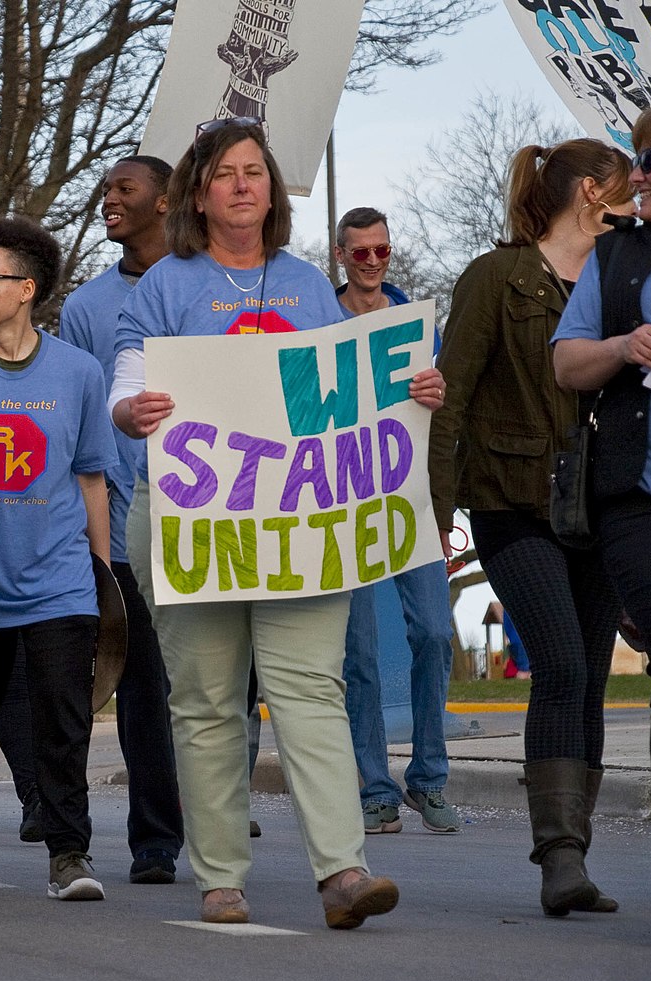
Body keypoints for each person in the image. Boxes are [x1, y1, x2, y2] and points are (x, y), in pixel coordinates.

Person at [110, 118, 442, 929]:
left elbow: (353, 398)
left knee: (308, 688)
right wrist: (130, 408)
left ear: (271, 188)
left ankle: (343, 871)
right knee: (206, 700)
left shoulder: (306, 289)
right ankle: (219, 875)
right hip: (195, 525)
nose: (241, 184)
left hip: (298, 523)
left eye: (254, 170)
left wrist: (412, 390)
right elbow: (124, 378)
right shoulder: (162, 287)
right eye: (223, 172)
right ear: (197, 192)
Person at [431, 137, 633, 917]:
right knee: (558, 664)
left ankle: (573, 852)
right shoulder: (496, 275)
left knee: (587, 671)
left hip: (604, 504)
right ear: (590, 192)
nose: (637, 205)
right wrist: (434, 510)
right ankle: (556, 856)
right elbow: (450, 393)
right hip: (511, 501)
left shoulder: (628, 278)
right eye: (625, 191)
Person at [0, 216, 117, 901]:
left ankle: (69, 855)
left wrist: (102, 582)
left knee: (63, 725)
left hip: (58, 582)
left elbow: (91, 476)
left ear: (26, 288)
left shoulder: (78, 371)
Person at [552, 103, 651, 900]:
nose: (636, 175)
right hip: (639, 498)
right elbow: (565, 364)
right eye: (633, 159)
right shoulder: (615, 258)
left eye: (650, 159)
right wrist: (624, 346)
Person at [59, 155, 186, 884]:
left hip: (215, 519)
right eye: (105, 189)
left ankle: (216, 819)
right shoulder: (84, 308)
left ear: (165, 202)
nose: (106, 200)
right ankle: (155, 841)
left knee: (220, 687)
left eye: (122, 189)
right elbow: (76, 419)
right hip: (126, 522)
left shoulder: (209, 290)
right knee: (144, 690)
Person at [332, 206, 462, 834]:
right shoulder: (318, 322)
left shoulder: (419, 327)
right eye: (361, 252)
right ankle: (376, 789)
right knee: (356, 652)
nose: (374, 261)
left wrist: (444, 509)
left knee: (435, 634)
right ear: (341, 256)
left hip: (409, 501)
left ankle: (429, 779)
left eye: (382, 250)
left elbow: (441, 426)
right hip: (343, 504)